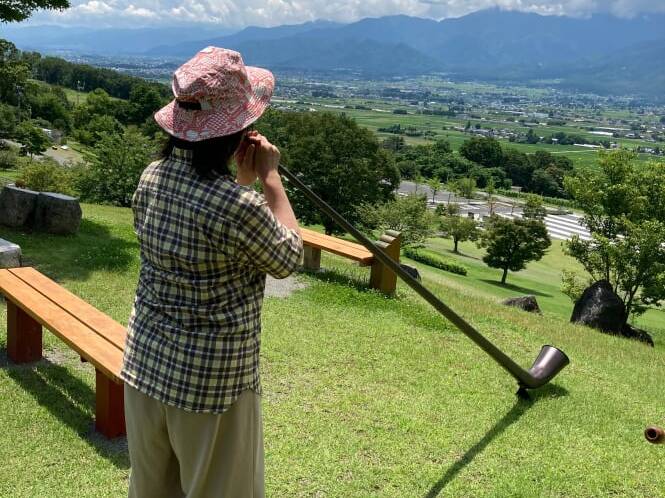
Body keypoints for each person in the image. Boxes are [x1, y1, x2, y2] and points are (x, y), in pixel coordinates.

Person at [121, 46, 303, 498]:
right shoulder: (236, 205)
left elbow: (203, 242)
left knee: (152, 488)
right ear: (235, 129)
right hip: (211, 383)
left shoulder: (152, 176)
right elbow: (288, 258)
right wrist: (270, 179)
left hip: (147, 364)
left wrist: (241, 183)